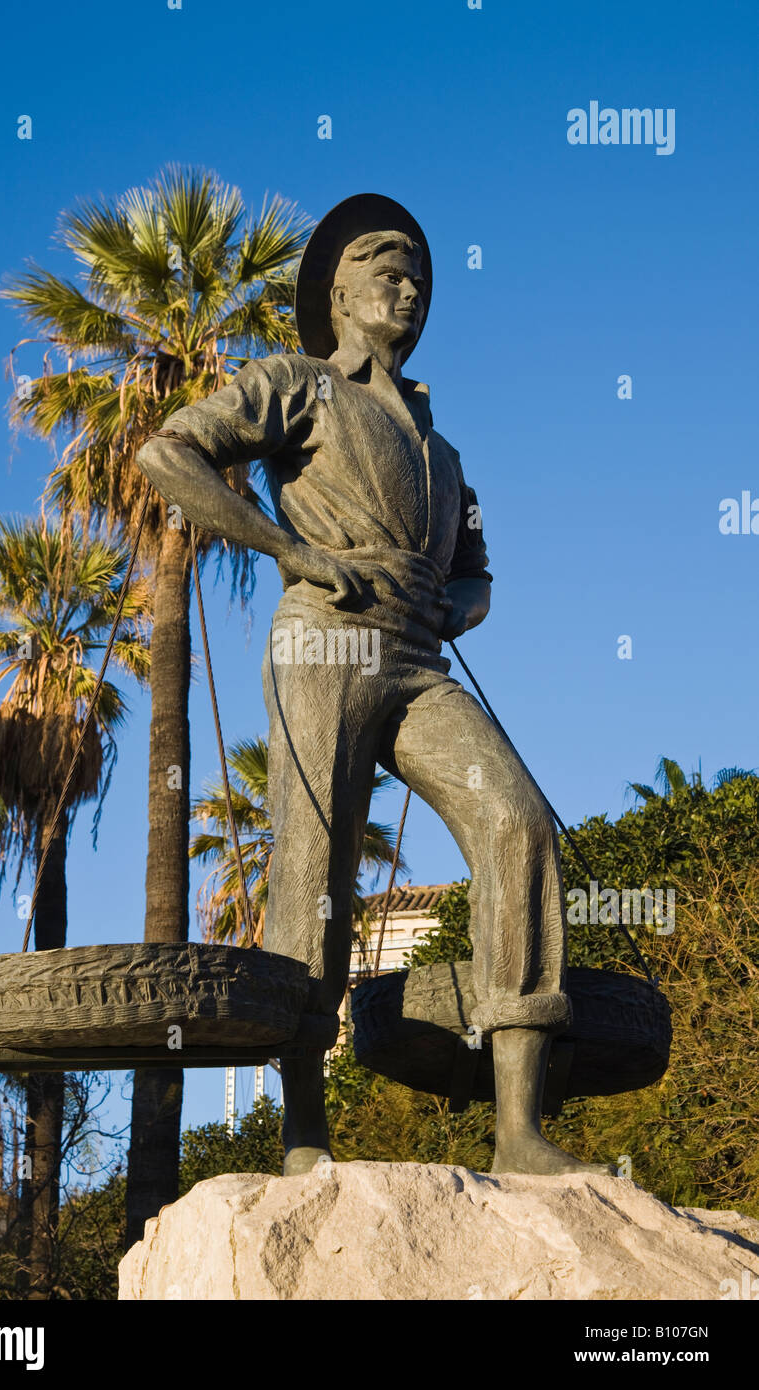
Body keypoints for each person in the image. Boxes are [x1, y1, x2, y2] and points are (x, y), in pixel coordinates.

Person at [137, 194, 613, 1177]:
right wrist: (290, 547)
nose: (406, 286)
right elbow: (165, 452)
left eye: (417, 278)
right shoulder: (295, 385)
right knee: (312, 860)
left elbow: (477, 570)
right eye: (383, 269)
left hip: (416, 658)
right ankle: (303, 1126)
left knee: (516, 822)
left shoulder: (442, 450)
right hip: (324, 640)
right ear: (337, 294)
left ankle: (518, 1125)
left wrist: (459, 605)